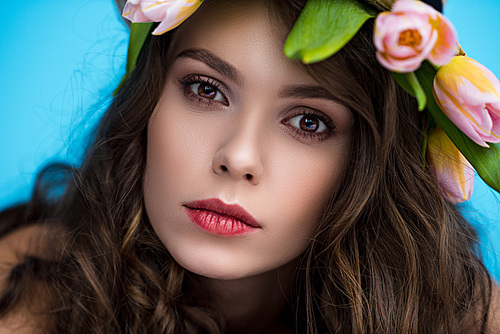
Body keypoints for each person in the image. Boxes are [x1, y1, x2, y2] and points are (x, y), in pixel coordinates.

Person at [0, 0, 499, 332]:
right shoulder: (30, 294)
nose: (238, 158)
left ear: (370, 162)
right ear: (147, 100)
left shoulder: (458, 312)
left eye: (308, 121)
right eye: (205, 89)